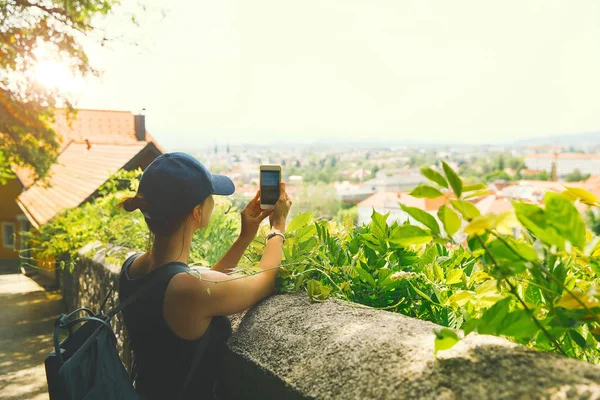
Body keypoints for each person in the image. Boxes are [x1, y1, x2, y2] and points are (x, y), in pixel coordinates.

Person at [118, 152, 292, 400]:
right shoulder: (186, 289)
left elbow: (204, 284)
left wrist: (245, 236)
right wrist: (278, 227)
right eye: (211, 197)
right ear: (197, 212)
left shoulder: (132, 267)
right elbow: (264, 281)